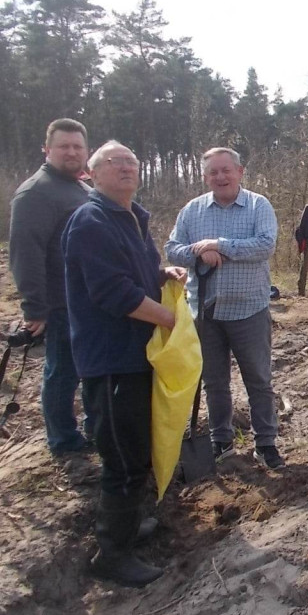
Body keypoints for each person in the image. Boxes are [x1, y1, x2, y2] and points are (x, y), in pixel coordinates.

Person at [62, 141, 186, 587]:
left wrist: (162, 275)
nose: (126, 169)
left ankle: (130, 524)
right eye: (115, 163)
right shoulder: (91, 221)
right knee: (123, 457)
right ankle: (111, 554)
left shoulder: (134, 218)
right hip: (110, 360)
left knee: (136, 447)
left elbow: (137, 274)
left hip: (139, 355)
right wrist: (170, 319)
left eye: (132, 162)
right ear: (92, 174)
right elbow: (112, 293)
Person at [166, 148, 285, 470]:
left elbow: (265, 245)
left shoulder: (258, 205)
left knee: (258, 380)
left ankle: (265, 443)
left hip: (249, 310)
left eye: (225, 171)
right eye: (213, 173)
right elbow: (172, 251)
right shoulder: (192, 211)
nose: (220, 177)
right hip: (205, 313)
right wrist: (198, 252)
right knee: (214, 381)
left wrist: (220, 245)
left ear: (239, 171)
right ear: (205, 177)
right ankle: (221, 439)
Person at [9, 117, 95, 456]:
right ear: (47, 149)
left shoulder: (83, 189)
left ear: (87, 151)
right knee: (62, 373)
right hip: (60, 304)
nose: (71, 152)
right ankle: (63, 439)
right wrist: (35, 307)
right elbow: (24, 252)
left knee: (90, 369)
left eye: (77, 146)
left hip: (90, 300)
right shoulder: (36, 192)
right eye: (64, 146)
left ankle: (92, 427)